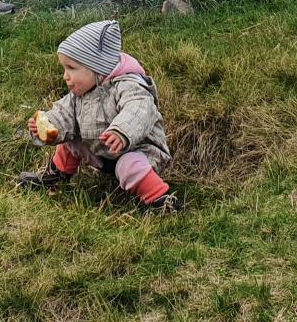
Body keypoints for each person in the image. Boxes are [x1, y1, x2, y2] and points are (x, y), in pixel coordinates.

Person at [20, 20, 181, 212]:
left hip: (139, 152)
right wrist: (48, 127)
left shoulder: (128, 86)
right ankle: (55, 178)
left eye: (71, 68)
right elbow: (63, 115)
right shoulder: (79, 94)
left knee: (130, 165)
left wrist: (122, 132)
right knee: (70, 141)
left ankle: (161, 200)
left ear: (97, 68)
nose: (65, 76)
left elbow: (139, 110)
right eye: (64, 68)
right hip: (102, 153)